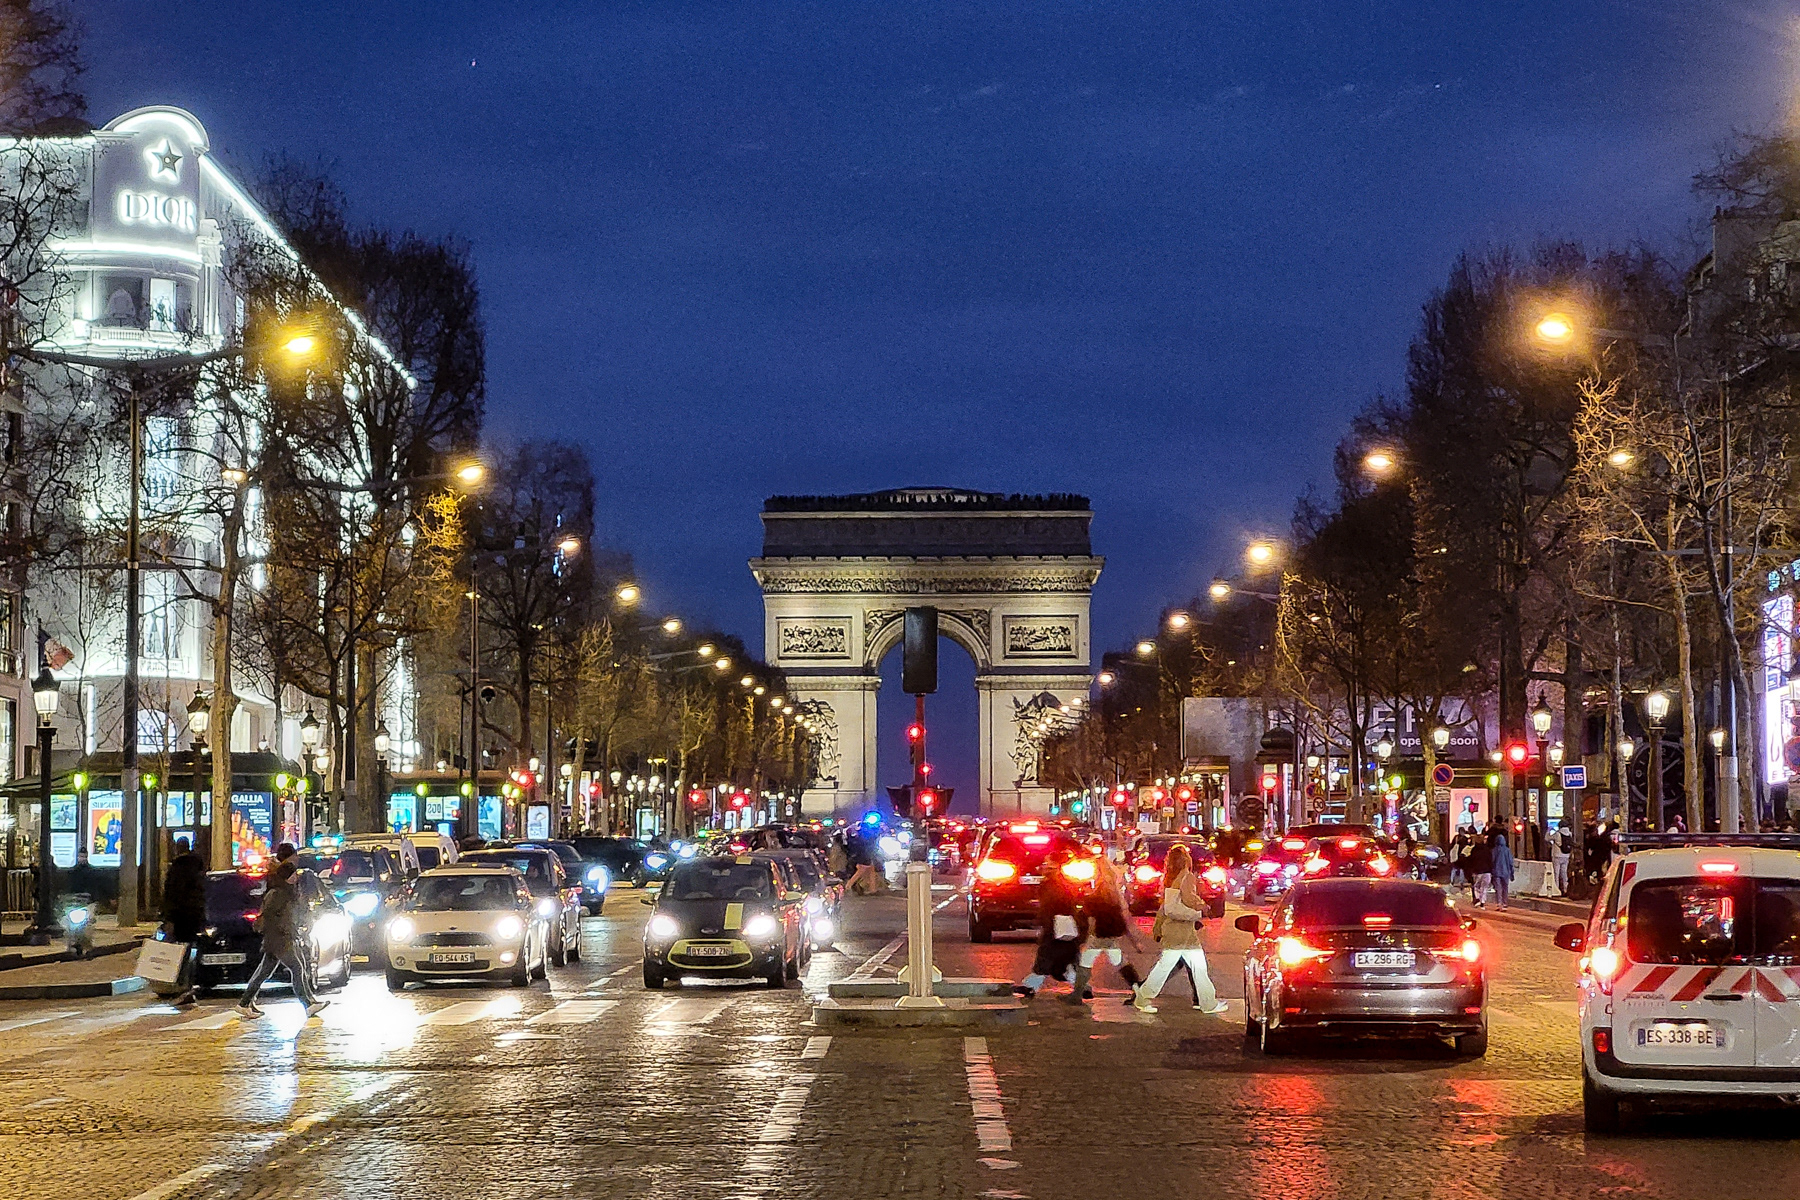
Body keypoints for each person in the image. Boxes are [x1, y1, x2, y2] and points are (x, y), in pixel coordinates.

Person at [1133, 844, 1226, 1015]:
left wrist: (1158, 928)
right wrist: (1203, 907)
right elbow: (1190, 898)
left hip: (1177, 933)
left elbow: (1164, 910)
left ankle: (1208, 1002)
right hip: (1182, 933)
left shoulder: (1170, 879)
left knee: (1192, 968)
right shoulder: (1187, 877)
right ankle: (1143, 997)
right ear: (1186, 860)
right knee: (1177, 968)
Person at [237, 847, 327, 1019]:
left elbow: (290, 914)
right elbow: (270, 916)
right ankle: (308, 1004)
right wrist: (284, 930)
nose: (296, 877)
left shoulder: (287, 892)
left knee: (264, 972)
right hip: (279, 939)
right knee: (297, 967)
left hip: (282, 937)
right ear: (285, 878)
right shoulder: (278, 893)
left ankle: (244, 1003)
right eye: (292, 875)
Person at [1015, 848, 1088, 1002]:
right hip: (1065, 926)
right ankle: (1082, 987)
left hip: (1056, 927)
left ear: (1055, 865)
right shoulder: (1066, 881)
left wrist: (1045, 921)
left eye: (1048, 862)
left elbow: (1050, 905)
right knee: (1064, 961)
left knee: (1047, 957)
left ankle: (1031, 987)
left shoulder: (1053, 883)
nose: (1044, 866)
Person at [1075, 853, 1146, 1000]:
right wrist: (1134, 940)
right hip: (1111, 932)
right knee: (1119, 961)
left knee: (1085, 962)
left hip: (1100, 932)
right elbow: (1124, 915)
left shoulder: (1100, 890)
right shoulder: (1113, 889)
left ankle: (1077, 994)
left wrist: (1088, 933)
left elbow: (1094, 915)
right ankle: (1138, 990)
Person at [160, 837, 208, 1006]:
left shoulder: (178, 869)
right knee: (189, 949)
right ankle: (188, 984)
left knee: (180, 951)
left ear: (177, 848)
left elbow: (172, 895)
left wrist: (168, 918)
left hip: (181, 916)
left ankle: (183, 986)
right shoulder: (198, 867)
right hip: (195, 915)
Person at [1464, 827, 1494, 908]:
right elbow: (1490, 860)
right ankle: (1482, 902)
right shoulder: (1487, 850)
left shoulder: (1474, 850)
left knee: (1477, 887)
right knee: (1484, 888)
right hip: (1487, 871)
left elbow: (1471, 860)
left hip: (1478, 871)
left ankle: (1477, 899)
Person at [1488, 825, 1514, 911]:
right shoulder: (1507, 850)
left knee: (1498, 888)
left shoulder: (1494, 850)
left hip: (1496, 872)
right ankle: (1505, 902)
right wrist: (1512, 873)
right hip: (1506, 872)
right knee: (1505, 888)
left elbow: (1492, 861)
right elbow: (1510, 862)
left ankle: (1499, 903)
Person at [1552, 821, 1572, 896]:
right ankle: (1565, 888)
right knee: (1564, 873)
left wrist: (1549, 830)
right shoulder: (1570, 833)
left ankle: (1556, 889)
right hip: (1566, 855)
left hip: (1557, 855)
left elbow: (1547, 838)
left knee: (1556, 873)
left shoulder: (1557, 834)